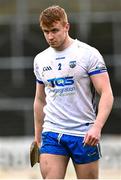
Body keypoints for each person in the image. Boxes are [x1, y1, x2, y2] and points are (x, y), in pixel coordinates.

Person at [33, 5, 114, 179]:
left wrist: (97, 127)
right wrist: (38, 136)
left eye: (54, 30)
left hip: (84, 134)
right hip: (52, 132)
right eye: (46, 31)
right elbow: (40, 100)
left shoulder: (88, 54)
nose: (50, 36)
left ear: (66, 26)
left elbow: (106, 93)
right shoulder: (40, 59)